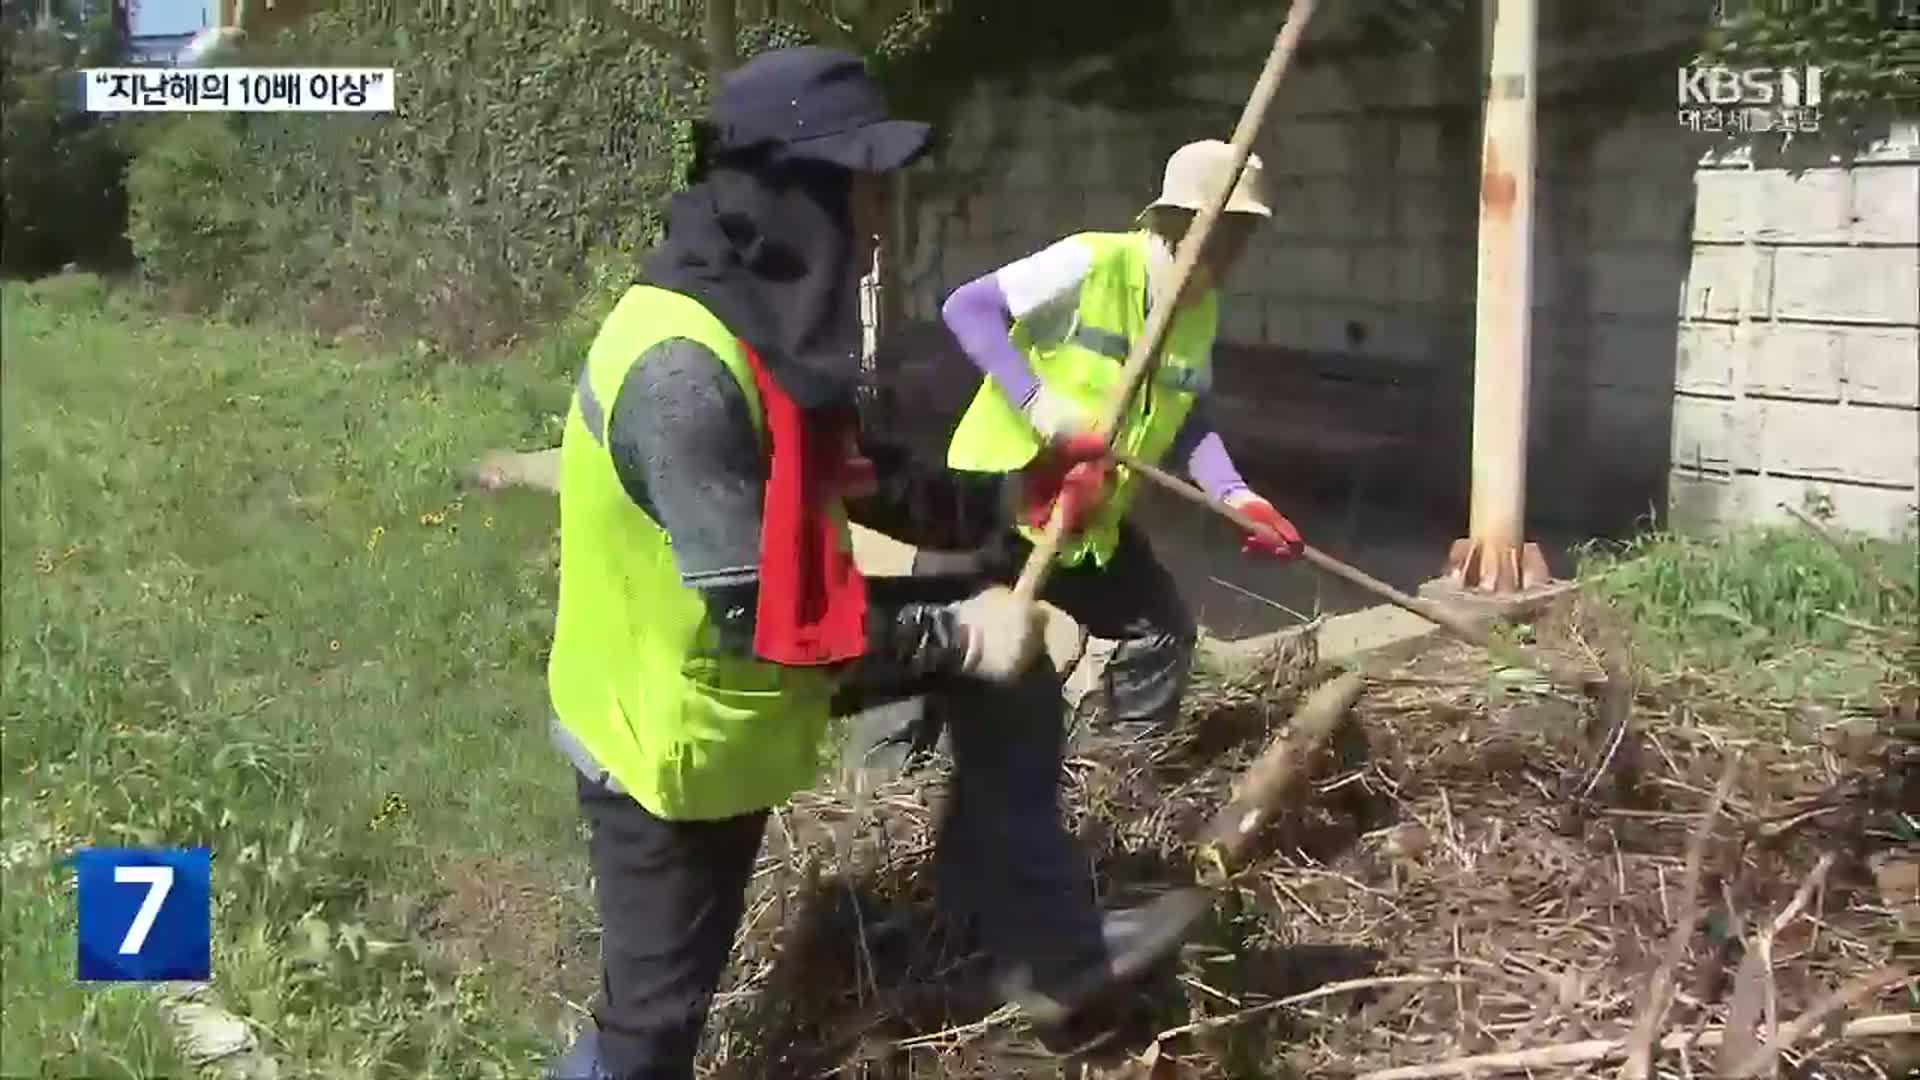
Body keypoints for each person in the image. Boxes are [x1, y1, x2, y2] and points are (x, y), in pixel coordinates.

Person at [544, 47, 1202, 1080]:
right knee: (654, 1026)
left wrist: (1015, 489)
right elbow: (757, 615)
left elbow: (868, 476)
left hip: (753, 677)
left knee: (1005, 652)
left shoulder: (762, 325)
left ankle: (1030, 940)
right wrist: (956, 635)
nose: (880, 221)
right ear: (792, 196)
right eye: (863, 190)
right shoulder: (681, 372)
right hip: (667, 730)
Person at [937, 139, 1308, 740]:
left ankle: (1112, 777)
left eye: (1246, 231)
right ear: (1180, 219)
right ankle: (881, 800)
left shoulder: (1200, 306)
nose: (1238, 246)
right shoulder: (1095, 260)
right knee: (939, 655)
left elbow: (1189, 415)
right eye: (1229, 227)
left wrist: (1239, 497)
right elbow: (968, 307)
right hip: (995, 493)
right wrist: (1039, 404)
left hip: (1083, 514)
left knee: (1160, 632)